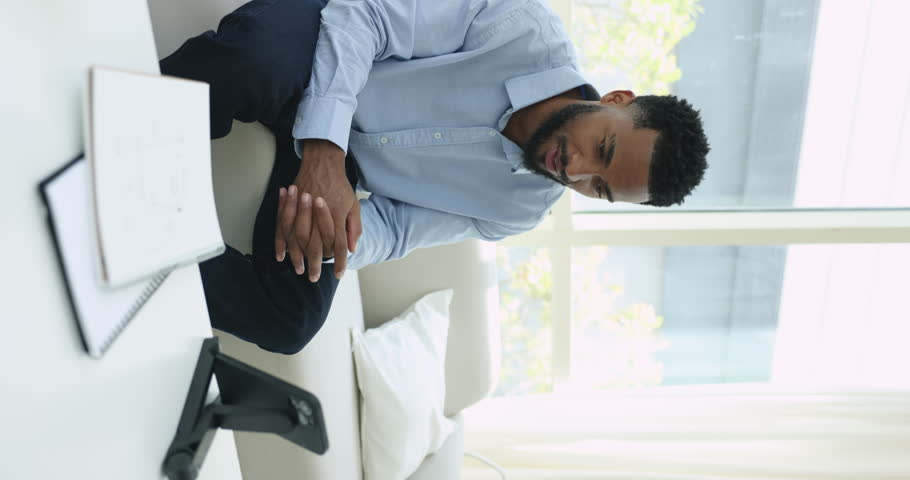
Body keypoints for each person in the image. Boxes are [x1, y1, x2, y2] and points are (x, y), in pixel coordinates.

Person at [160, 0, 710, 354]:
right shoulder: (521, 28)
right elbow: (364, 16)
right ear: (616, 100)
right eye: (603, 148)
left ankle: (151, 256)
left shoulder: (520, 210)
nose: (579, 171)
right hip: (332, 54)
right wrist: (323, 144)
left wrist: (339, 231)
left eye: (600, 188)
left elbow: (396, 229)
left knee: (289, 321)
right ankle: (123, 125)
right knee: (256, 60)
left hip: (342, 175)